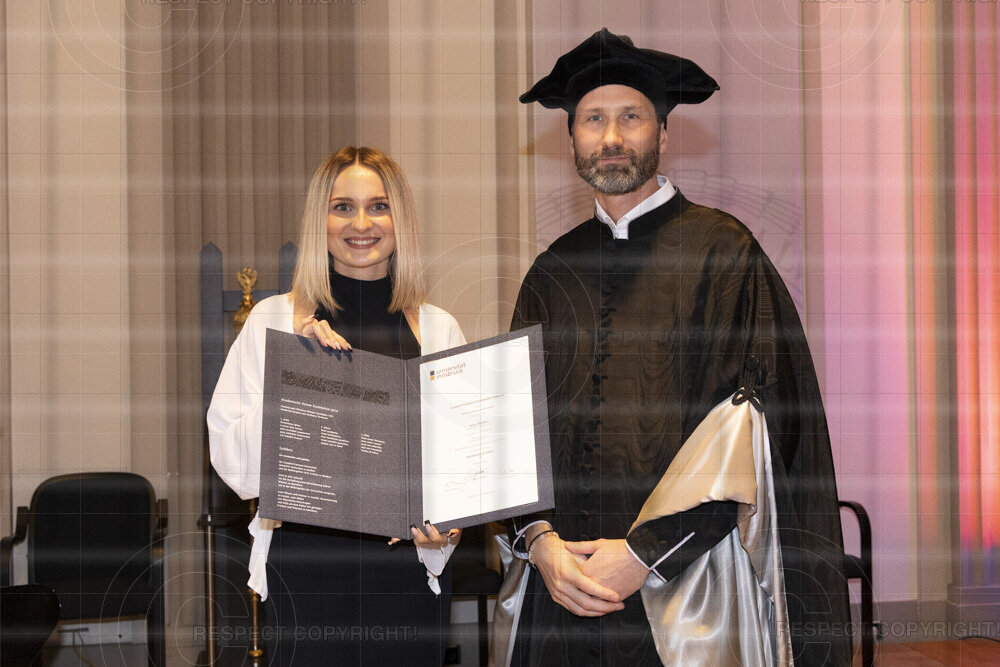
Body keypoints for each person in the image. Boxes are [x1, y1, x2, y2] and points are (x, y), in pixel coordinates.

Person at [493, 30, 851, 666]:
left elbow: (760, 433)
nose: (611, 137)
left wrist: (643, 554)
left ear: (663, 132)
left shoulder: (725, 253)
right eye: (593, 119)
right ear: (570, 137)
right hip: (562, 586)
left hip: (689, 584)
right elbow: (509, 427)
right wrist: (540, 543)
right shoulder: (552, 272)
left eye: (631, 117)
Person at [207, 146, 465, 665]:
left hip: (406, 575)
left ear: (401, 219)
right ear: (319, 222)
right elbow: (231, 463)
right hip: (307, 574)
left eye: (379, 206)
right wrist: (297, 377)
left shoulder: (439, 328)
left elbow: (461, 463)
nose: (361, 224)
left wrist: (451, 526)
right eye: (342, 207)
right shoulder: (271, 321)